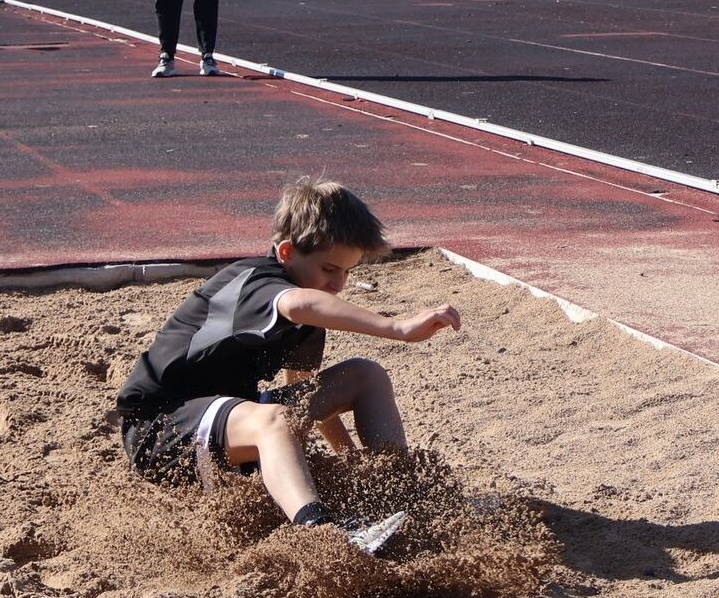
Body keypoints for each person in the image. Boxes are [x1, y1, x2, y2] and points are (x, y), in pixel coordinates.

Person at [116, 178, 461, 558]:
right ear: (287, 252)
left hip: (231, 422)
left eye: (348, 272)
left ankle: (397, 493)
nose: (339, 284)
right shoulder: (255, 283)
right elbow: (296, 303)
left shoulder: (312, 310)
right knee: (273, 419)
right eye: (330, 269)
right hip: (162, 429)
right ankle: (322, 535)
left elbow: (308, 391)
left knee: (365, 375)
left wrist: (350, 465)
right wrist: (396, 327)